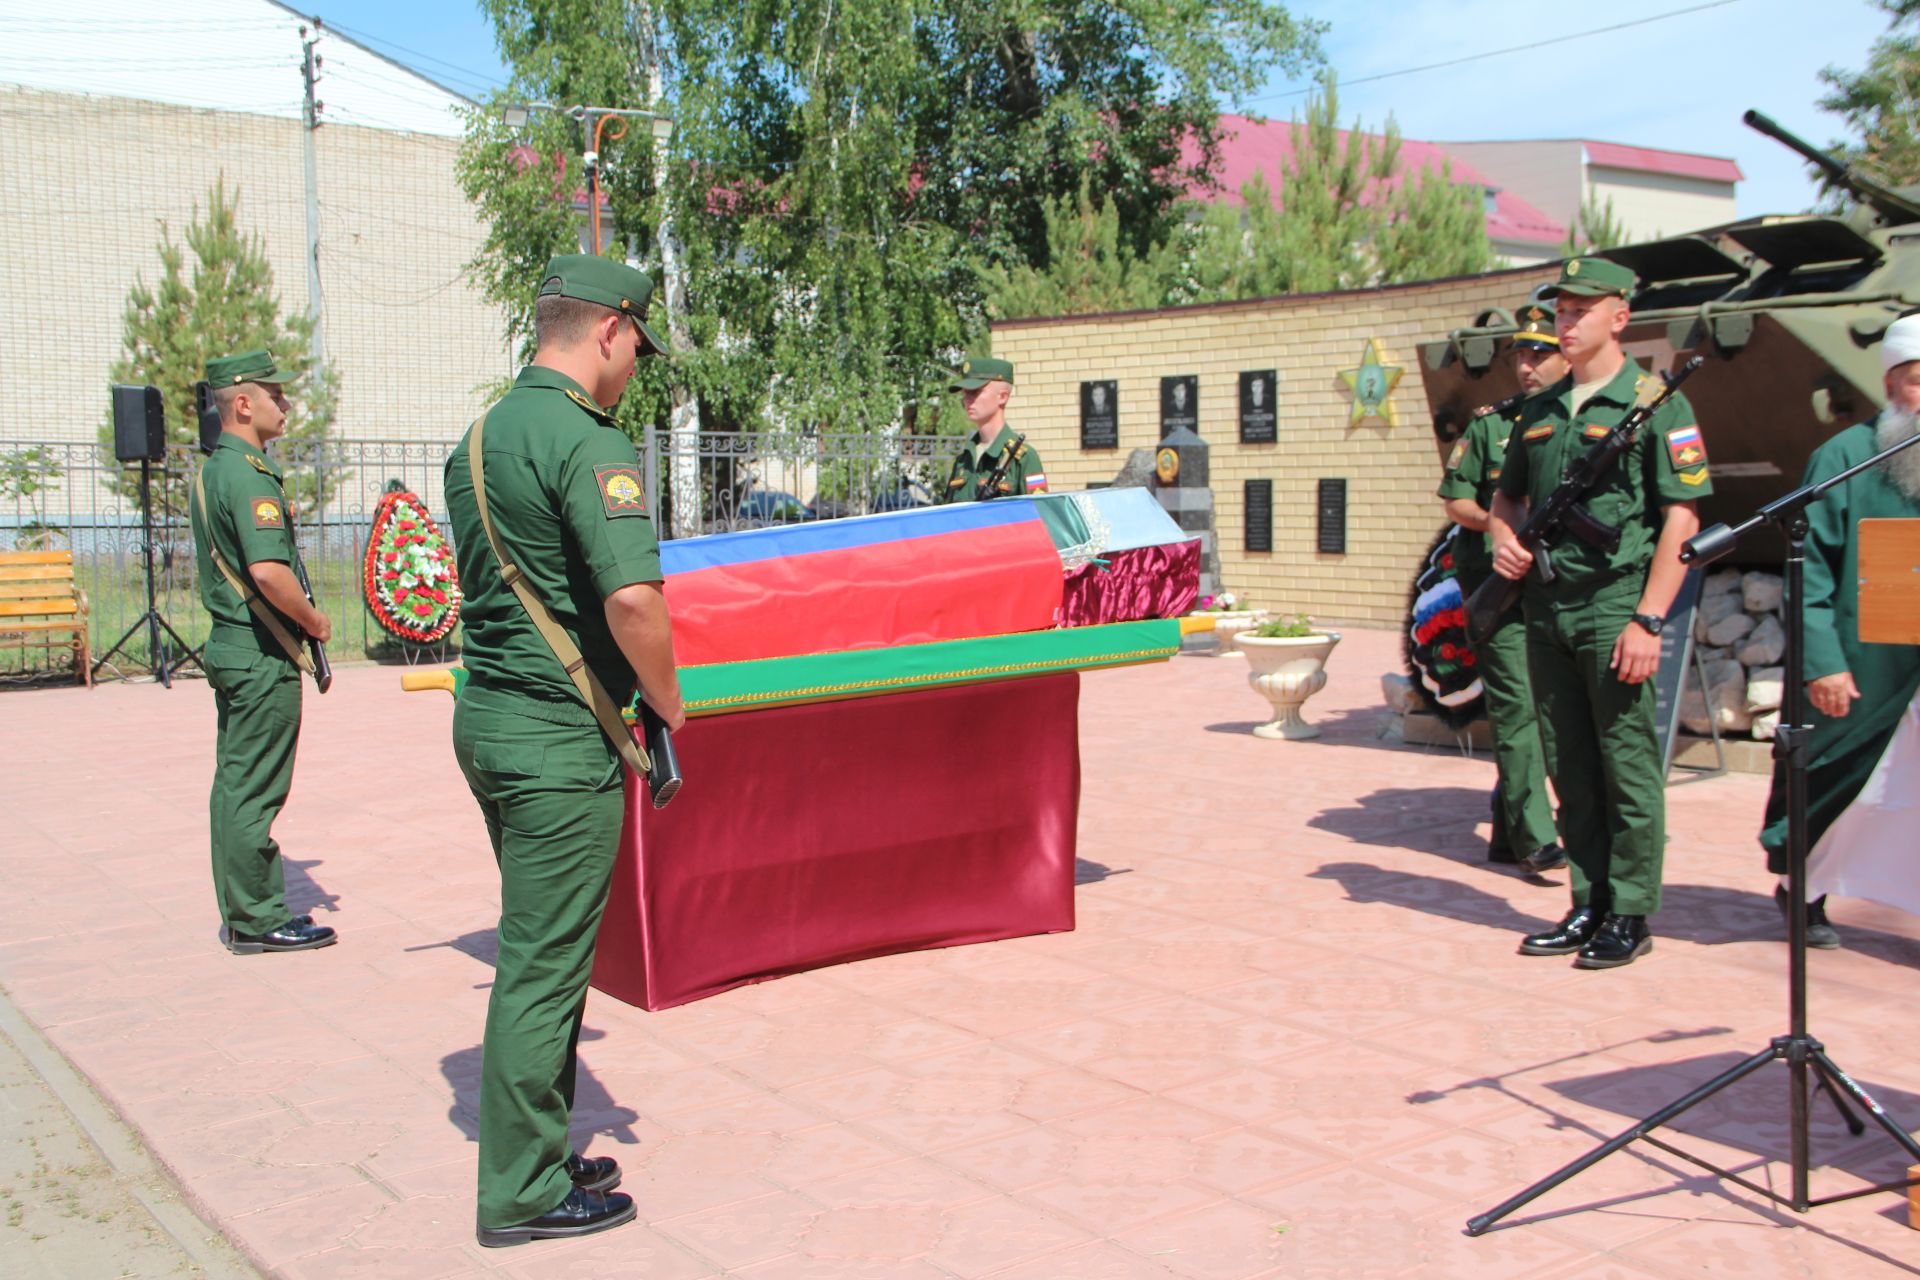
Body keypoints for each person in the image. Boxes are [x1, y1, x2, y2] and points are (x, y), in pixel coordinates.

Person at [444, 255, 685, 1248]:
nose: (636, 364)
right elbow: (631, 599)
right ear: (610, 330)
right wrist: (671, 704)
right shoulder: (588, 440)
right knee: (545, 963)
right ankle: (522, 1188)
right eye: (638, 345)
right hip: (557, 738)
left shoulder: (481, 435)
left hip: (491, 719)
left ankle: (539, 1141)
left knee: (544, 947)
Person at [1489, 256, 1710, 969]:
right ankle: (1587, 901)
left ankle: (1631, 911)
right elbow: (1507, 499)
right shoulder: (1540, 410)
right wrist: (1504, 541)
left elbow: (1682, 519)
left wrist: (1649, 619)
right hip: (1547, 604)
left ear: (1620, 316)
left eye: (1583, 309)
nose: (1567, 322)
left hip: (1616, 604)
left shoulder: (1656, 403)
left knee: (1626, 764)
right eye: (1561, 310)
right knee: (1571, 763)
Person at [1758, 313, 1920, 948]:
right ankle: (1805, 891)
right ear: (1889, 385)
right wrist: (1821, 662)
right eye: (1914, 381)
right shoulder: (1845, 458)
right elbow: (1810, 574)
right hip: (1866, 664)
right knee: (1841, 789)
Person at [189, 349, 337, 956]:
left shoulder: (215, 470)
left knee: (235, 785)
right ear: (243, 403)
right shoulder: (248, 475)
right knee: (254, 788)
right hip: (259, 655)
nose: (287, 404)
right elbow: (271, 573)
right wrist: (316, 622)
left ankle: (241, 908)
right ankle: (256, 918)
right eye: (276, 394)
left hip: (233, 647)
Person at [1437, 300, 1567, 874]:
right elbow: (1456, 497)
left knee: (1551, 709)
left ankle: (1509, 825)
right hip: (1497, 583)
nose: (1527, 366)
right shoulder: (1493, 425)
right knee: (1517, 709)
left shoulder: (1579, 426)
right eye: (1522, 354)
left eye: (1541, 353)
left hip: (1560, 585)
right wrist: (1498, 522)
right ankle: (1537, 838)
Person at [936, 355, 1048, 502]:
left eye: (975, 392)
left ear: (1002, 397)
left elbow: (1040, 515)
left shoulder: (1023, 459)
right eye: (965, 393)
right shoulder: (964, 460)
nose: (967, 399)